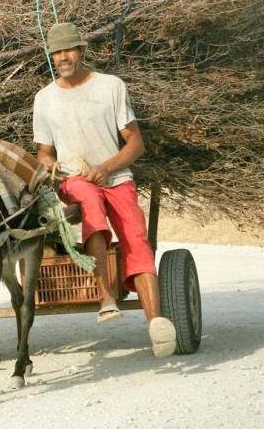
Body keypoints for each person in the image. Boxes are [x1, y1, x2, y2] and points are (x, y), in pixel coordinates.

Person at [32, 21, 177, 357]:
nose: (63, 57)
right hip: (74, 180)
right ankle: (105, 297)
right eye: (57, 52)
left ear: (82, 51)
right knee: (90, 202)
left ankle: (156, 324)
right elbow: (45, 152)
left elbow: (135, 143)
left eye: (69, 49)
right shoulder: (45, 99)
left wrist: (107, 167)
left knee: (135, 234)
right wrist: (46, 165)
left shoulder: (111, 87)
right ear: (51, 56)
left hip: (116, 177)